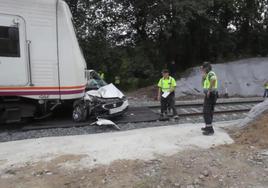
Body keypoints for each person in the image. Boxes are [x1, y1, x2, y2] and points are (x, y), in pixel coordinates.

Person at [201, 62, 218, 135]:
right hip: (210, 95)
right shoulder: (207, 75)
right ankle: (208, 126)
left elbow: (213, 80)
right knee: (208, 111)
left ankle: (210, 130)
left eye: (204, 68)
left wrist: (209, 90)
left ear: (207, 68)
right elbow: (203, 84)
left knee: (206, 111)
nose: (203, 70)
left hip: (211, 94)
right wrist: (203, 78)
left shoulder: (211, 73)